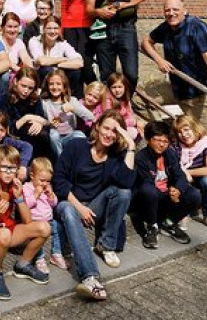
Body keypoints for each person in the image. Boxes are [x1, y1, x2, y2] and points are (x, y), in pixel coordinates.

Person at [52, 109, 137, 301]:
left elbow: (126, 182)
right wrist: (80, 208)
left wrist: (130, 146)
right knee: (67, 209)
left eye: (115, 131)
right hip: (69, 202)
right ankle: (90, 277)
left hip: (94, 206)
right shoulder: (76, 146)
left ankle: (106, 245)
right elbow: (59, 181)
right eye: (106, 128)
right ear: (97, 127)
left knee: (123, 193)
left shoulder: (115, 156)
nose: (109, 134)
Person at [141, 0, 207, 138]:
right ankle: (165, 132)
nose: (171, 13)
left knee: (202, 140)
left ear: (185, 10)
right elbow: (146, 42)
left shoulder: (196, 27)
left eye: (175, 9)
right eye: (167, 10)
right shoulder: (166, 27)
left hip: (198, 93)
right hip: (176, 88)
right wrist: (159, 59)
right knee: (139, 99)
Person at [0, 145, 51, 300]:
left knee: (44, 228)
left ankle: (23, 264)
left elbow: (27, 221)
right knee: (4, 234)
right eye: (5, 168)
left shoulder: (14, 186)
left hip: (8, 230)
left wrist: (19, 198)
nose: (9, 173)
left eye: (13, 169)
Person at [85, 0, 147, 90]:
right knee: (107, 75)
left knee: (131, 74)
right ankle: (110, 110)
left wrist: (121, 6)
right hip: (103, 30)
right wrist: (98, 12)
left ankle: (125, 105)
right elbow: (89, 8)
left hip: (126, 28)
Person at [133, 121, 202, 249]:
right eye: (157, 140)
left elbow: (179, 175)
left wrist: (178, 189)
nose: (161, 144)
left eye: (165, 141)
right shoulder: (141, 158)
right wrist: (168, 193)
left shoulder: (170, 153)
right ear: (148, 139)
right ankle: (152, 227)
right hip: (149, 199)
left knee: (195, 195)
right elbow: (146, 183)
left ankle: (169, 223)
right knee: (148, 190)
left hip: (168, 194)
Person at [173, 115, 207, 233]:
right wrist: (183, 174)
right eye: (179, 132)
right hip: (184, 178)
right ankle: (183, 215)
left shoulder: (206, 145)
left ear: (195, 128)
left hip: (201, 177)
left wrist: (187, 172)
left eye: (186, 130)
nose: (184, 135)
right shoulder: (176, 146)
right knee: (178, 181)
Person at [23, 157, 67, 273]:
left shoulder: (47, 188)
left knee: (59, 228)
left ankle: (56, 253)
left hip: (49, 220)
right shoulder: (26, 188)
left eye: (48, 181)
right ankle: (39, 258)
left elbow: (54, 204)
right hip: (35, 222)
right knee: (38, 239)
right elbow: (26, 205)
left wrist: (51, 195)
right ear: (32, 176)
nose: (45, 184)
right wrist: (36, 194)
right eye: (42, 180)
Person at [61, 0, 97, 84]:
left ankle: (96, 91)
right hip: (70, 25)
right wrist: (62, 28)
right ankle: (78, 96)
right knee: (72, 62)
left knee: (85, 61)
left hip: (86, 25)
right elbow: (64, 6)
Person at [0, 67, 51, 159]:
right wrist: (27, 117)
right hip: (13, 138)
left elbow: (43, 120)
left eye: (30, 88)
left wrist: (40, 123)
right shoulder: (5, 98)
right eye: (23, 86)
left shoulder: (35, 99)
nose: (26, 91)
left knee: (43, 136)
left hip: (33, 138)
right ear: (15, 81)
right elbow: (8, 128)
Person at [40, 69, 94, 159]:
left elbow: (90, 116)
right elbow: (42, 120)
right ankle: (61, 160)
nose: (54, 87)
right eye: (51, 84)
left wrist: (73, 109)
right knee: (53, 134)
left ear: (64, 86)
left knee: (80, 134)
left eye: (58, 84)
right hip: (55, 138)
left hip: (69, 136)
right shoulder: (45, 103)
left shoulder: (72, 100)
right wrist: (50, 123)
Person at [28, 16, 84, 98]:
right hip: (39, 75)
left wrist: (57, 66)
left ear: (59, 30)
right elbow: (42, 61)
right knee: (47, 69)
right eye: (49, 28)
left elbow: (79, 62)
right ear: (44, 29)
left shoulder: (62, 43)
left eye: (55, 28)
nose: (52, 31)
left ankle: (69, 97)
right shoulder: (34, 41)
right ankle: (45, 96)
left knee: (76, 72)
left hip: (57, 75)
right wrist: (63, 59)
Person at [103, 72, 144, 142]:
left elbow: (130, 114)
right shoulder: (107, 100)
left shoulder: (125, 99)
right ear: (109, 88)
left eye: (120, 87)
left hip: (124, 125)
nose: (117, 90)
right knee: (133, 133)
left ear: (125, 87)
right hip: (113, 127)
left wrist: (137, 123)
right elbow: (112, 120)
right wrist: (134, 122)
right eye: (114, 87)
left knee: (140, 130)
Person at [0, 12, 34, 84]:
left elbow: (25, 58)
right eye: (9, 27)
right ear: (3, 27)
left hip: (14, 76)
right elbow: (5, 60)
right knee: (5, 76)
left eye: (15, 27)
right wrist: (18, 69)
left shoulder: (19, 42)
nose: (13, 30)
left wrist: (30, 70)